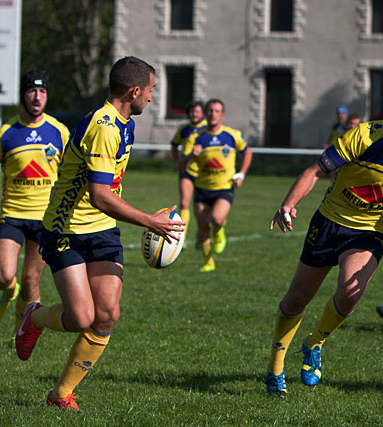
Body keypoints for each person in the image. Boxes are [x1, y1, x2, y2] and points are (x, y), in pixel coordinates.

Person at [14, 56, 184, 411]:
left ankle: (60, 395)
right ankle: (36, 316)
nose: (152, 98)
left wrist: (146, 217)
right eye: (151, 90)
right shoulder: (104, 127)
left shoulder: (125, 123)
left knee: (106, 315)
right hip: (66, 229)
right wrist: (150, 222)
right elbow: (101, 196)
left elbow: (108, 195)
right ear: (135, 91)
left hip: (103, 230)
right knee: (80, 318)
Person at [264, 87, 383, 397]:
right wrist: (289, 202)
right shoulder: (367, 135)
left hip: (370, 232)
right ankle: (275, 368)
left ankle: (314, 343)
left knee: (351, 292)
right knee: (298, 298)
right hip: (329, 221)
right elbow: (315, 170)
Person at [0, 69, 69, 337]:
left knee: (31, 280)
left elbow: (71, 171)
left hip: (45, 219)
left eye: (42, 91)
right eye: (32, 90)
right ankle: (9, 292)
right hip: (12, 215)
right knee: (3, 277)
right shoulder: (5, 133)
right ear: (23, 95)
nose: (37, 96)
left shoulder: (59, 132)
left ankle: (22, 333)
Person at [179, 99, 252, 272]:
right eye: (210, 111)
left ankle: (219, 232)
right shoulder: (196, 137)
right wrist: (190, 156)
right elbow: (179, 166)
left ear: (222, 115)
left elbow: (247, 152)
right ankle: (208, 262)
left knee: (217, 219)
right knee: (203, 228)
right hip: (202, 189)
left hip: (224, 188)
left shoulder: (232, 135)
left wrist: (241, 173)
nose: (213, 114)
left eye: (217, 111)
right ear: (206, 114)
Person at [170, 100, 206, 245]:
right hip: (186, 171)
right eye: (192, 111)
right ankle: (181, 238)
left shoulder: (207, 129)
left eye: (197, 111)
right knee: (184, 203)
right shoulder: (184, 129)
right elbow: (174, 144)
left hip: (204, 174)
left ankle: (202, 236)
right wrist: (176, 161)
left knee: (202, 209)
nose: (194, 114)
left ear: (203, 113)